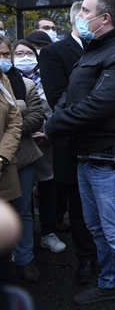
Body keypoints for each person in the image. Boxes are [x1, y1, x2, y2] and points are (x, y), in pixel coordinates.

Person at [45, 0, 115, 309]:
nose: (80, 15)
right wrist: (59, 118)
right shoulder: (91, 52)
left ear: (104, 18)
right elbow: (69, 96)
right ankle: (110, 284)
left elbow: (96, 105)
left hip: (111, 161)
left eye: (86, 11)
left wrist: (51, 126)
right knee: (98, 230)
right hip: (87, 158)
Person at [39, 1, 97, 285]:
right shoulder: (54, 53)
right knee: (79, 207)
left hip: (107, 145)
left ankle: (112, 257)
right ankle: (86, 258)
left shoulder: (105, 48)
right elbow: (58, 99)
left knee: (107, 207)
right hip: (73, 145)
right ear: (77, 19)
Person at [17, 37, 68, 256]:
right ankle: (22, 239)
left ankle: (48, 232)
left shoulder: (48, 77)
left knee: (48, 187)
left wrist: (48, 132)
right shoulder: (9, 80)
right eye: (18, 54)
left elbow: (58, 106)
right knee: (23, 195)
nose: (24, 58)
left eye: (28, 53)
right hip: (21, 146)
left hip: (47, 143)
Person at [0, 38, 42, 283]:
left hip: (20, 157)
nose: (3, 58)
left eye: (6, 53)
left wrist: (8, 142)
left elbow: (32, 117)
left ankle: (24, 258)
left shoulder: (20, 83)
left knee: (23, 210)